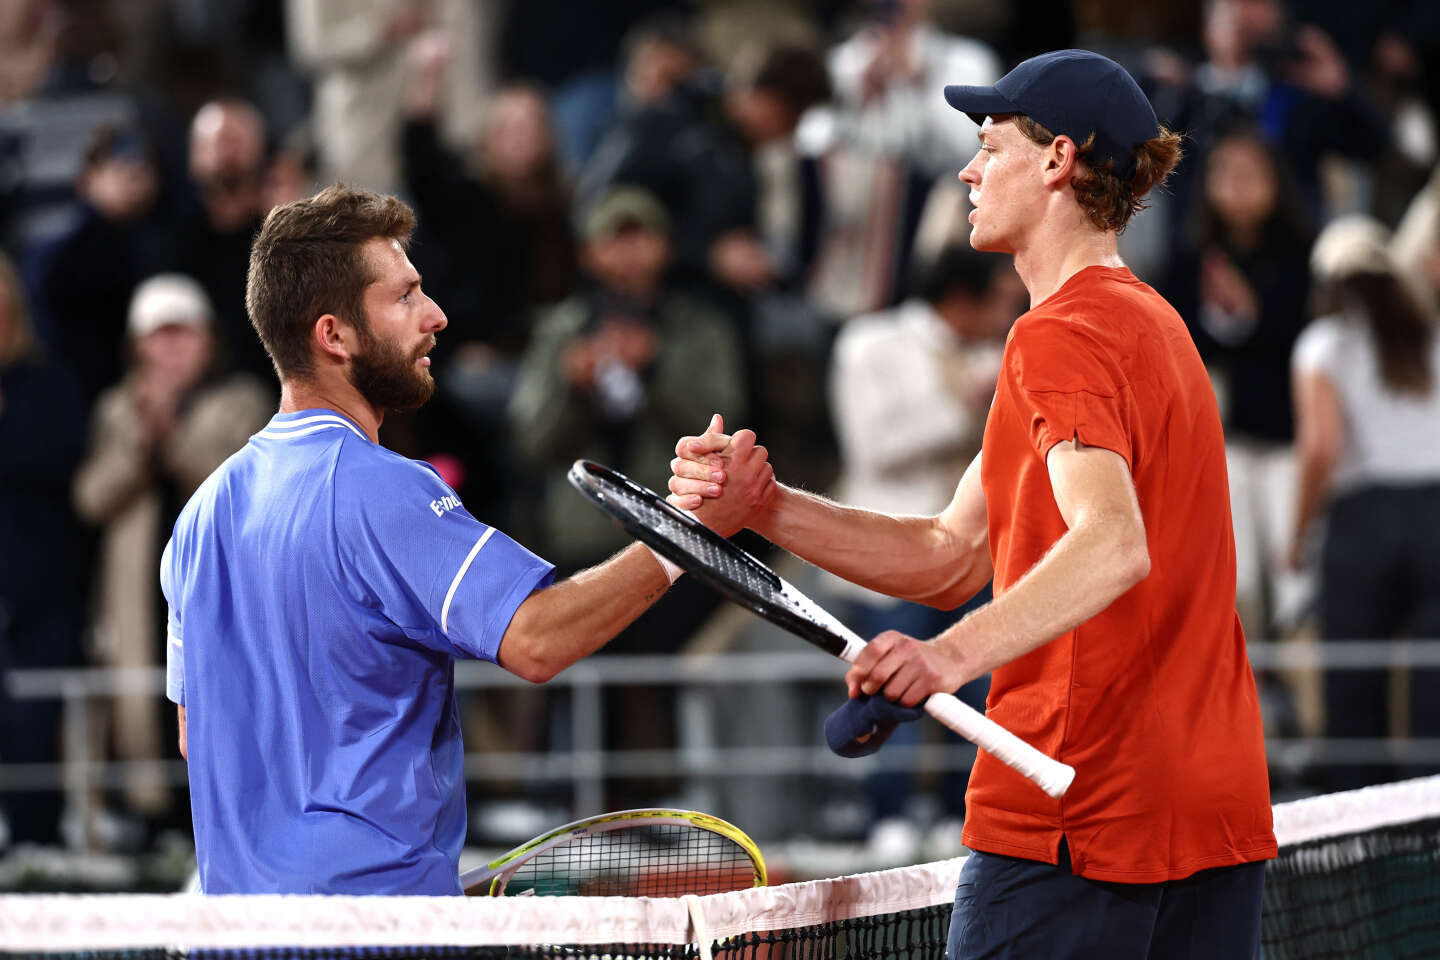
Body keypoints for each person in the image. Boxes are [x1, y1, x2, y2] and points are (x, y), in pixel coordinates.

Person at [669, 50, 1276, 958]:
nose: (968, 169)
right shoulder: (1154, 325)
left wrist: (944, 655)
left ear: (1057, 160)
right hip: (1211, 806)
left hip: (1075, 812)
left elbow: (1113, 544)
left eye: (989, 145)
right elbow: (952, 555)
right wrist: (766, 507)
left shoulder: (1058, 336)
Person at [163, 185, 685, 894]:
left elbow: (198, 735)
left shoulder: (197, 518)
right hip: (377, 932)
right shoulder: (382, 487)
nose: (435, 316)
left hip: (236, 936)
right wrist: (683, 537)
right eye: (404, 297)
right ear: (334, 335)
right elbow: (536, 640)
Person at [74, 274, 271, 836]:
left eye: (184, 335)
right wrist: (141, 439)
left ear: (209, 339)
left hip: (218, 580)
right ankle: (153, 822)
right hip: (137, 590)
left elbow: (238, 487)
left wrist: (173, 436)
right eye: (159, 337)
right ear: (138, 344)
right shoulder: (116, 408)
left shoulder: (244, 399)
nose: (172, 349)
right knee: (144, 702)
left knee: (218, 695)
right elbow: (90, 497)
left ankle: (221, 820)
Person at [1289, 215, 1440, 790]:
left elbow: (1320, 448)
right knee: (1433, 688)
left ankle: (1358, 831)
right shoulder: (1429, 335)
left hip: (1363, 523)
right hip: (1436, 514)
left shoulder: (1323, 345)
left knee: (1354, 687)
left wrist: (1298, 537)